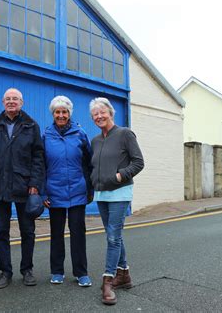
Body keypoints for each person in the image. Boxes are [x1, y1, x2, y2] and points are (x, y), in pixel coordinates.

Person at [0, 88, 45, 289]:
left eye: (15, 99)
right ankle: (5, 271)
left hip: (24, 186)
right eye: (8, 99)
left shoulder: (31, 125)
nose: (11, 102)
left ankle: (27, 269)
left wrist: (35, 183)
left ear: (21, 102)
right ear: (3, 102)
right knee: (1, 231)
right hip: (0, 185)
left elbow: (38, 157)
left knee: (28, 231)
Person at [89, 97, 144, 305]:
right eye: (95, 114)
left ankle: (108, 281)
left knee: (113, 237)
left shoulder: (125, 134)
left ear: (111, 113)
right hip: (101, 194)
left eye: (102, 112)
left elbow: (139, 162)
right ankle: (125, 275)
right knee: (114, 236)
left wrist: (121, 175)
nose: (99, 116)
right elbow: (92, 166)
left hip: (120, 192)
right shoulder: (95, 140)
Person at [42, 96, 93, 287]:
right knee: (56, 233)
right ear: (53, 114)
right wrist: (43, 192)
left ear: (69, 113)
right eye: (57, 112)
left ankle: (81, 272)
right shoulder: (46, 135)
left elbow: (89, 163)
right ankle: (56, 271)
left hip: (77, 192)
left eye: (64, 112)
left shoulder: (80, 133)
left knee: (78, 232)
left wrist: (89, 187)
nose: (61, 115)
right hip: (54, 192)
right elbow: (41, 166)